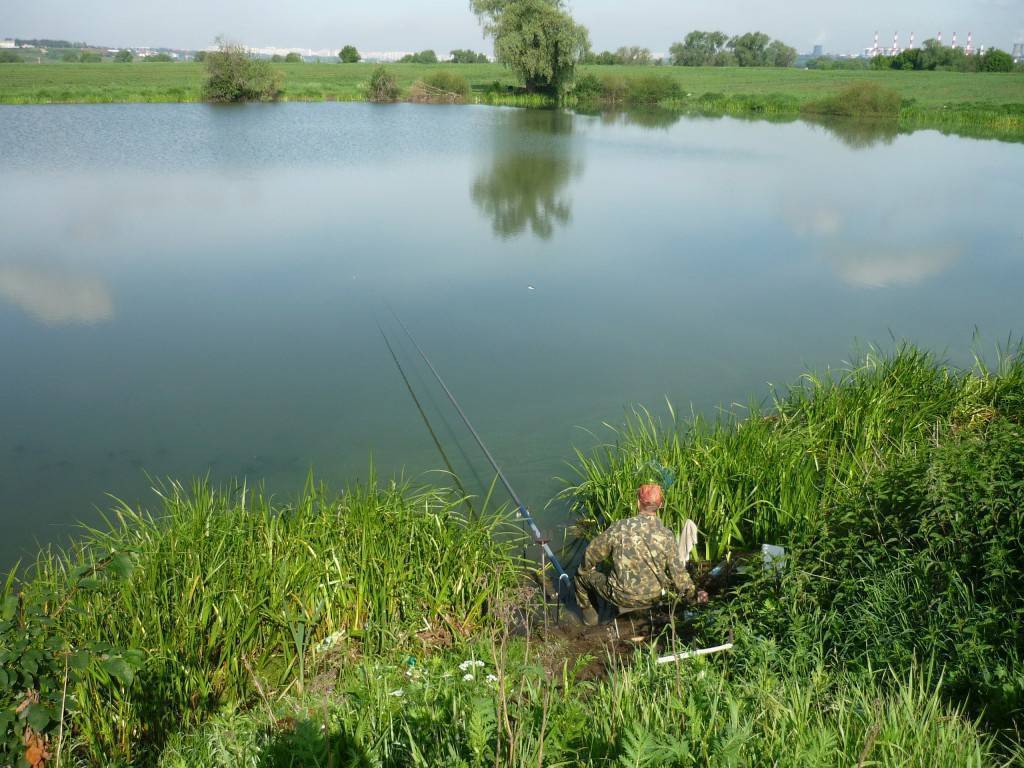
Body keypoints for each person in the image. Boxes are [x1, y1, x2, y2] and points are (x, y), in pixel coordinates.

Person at [574, 483, 708, 626]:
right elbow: (679, 575)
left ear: (638, 503)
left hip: (621, 596)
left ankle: (590, 621)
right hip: (653, 597)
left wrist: (585, 569)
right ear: (661, 505)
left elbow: (590, 553)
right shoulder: (667, 535)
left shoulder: (620, 527)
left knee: (580, 577)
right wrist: (694, 596)